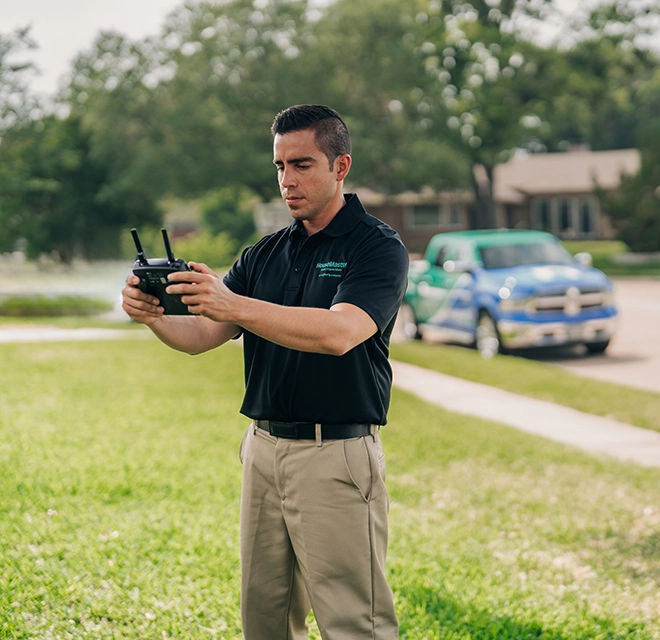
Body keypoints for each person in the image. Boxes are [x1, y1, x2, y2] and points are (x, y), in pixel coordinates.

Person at [122, 104, 409, 640]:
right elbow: (203, 336)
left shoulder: (376, 247)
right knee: (265, 618)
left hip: (336, 455)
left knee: (355, 622)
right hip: (262, 449)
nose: (287, 180)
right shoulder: (265, 253)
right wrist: (152, 315)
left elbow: (339, 332)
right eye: (279, 167)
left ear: (340, 166)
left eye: (301, 165)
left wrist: (232, 305)